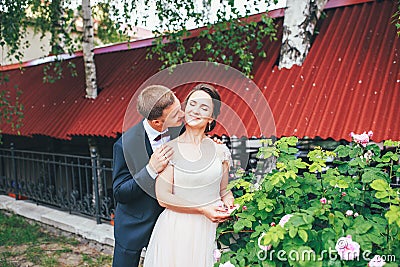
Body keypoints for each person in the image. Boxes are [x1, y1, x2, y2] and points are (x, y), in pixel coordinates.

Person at [112, 85, 230, 267]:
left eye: (180, 107)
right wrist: (150, 169)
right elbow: (120, 192)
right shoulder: (125, 145)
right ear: (158, 122)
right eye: (176, 114)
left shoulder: (179, 128)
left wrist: (215, 148)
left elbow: (197, 140)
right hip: (136, 224)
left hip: (177, 222)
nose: (183, 114)